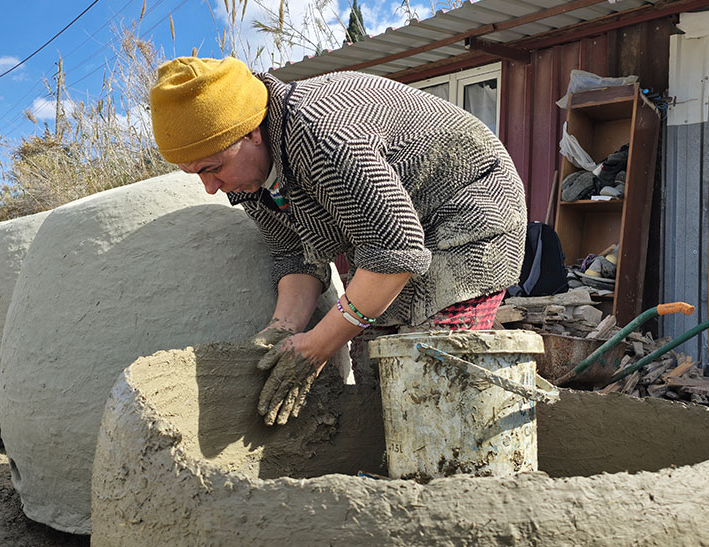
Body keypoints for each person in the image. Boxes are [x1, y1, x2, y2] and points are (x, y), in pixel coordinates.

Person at [149, 56, 526, 426]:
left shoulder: (320, 137)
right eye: (195, 174)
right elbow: (295, 255)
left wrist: (318, 348)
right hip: (400, 231)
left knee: (427, 367)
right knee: (373, 367)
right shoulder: (249, 176)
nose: (210, 188)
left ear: (252, 132)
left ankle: (458, 477)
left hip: (470, 211)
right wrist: (283, 328)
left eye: (212, 168)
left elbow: (396, 254)